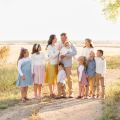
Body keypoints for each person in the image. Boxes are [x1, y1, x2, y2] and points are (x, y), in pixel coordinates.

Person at [60, 33, 77, 98]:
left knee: (69, 78)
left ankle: (71, 93)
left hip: (68, 63)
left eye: (63, 38)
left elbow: (75, 52)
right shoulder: (60, 44)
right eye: (61, 38)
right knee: (61, 77)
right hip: (61, 64)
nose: (62, 39)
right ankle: (63, 92)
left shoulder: (71, 44)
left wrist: (66, 55)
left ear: (66, 37)